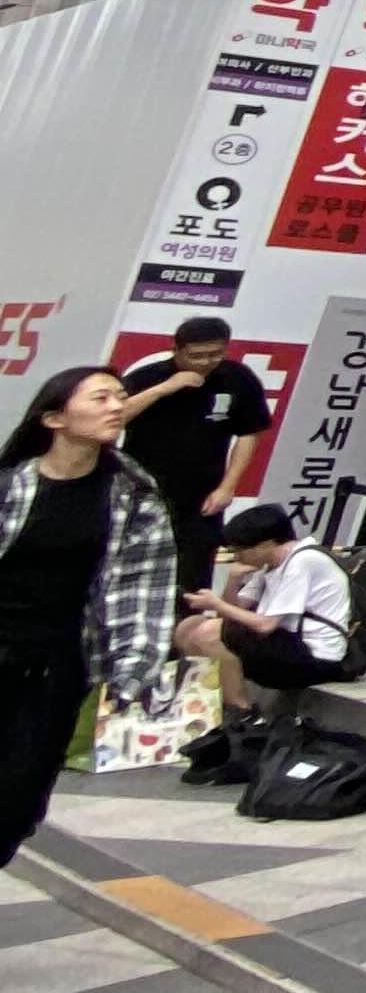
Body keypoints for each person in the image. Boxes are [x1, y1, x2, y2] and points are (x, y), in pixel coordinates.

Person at [0, 367, 179, 871]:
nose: (116, 406)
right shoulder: (10, 487)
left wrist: (135, 668)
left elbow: (145, 586)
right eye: (100, 398)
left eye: (119, 397)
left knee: (18, 801)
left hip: (57, 666)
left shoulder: (133, 495)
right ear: (54, 418)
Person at [115, 317, 272, 596]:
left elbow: (250, 433)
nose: (206, 362)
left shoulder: (238, 378)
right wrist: (165, 388)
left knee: (193, 574)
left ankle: (188, 621)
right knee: (133, 567)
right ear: (176, 349)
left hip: (203, 496)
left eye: (215, 354)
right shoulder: (148, 377)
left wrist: (228, 487)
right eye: (196, 355)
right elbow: (115, 417)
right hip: (143, 490)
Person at [176, 500, 354, 709]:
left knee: (208, 633)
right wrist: (233, 580)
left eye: (239, 550)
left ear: (264, 545)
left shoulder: (303, 561)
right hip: (287, 643)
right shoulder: (271, 565)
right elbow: (229, 616)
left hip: (315, 656)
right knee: (189, 627)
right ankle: (206, 706)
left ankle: (241, 711)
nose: (236, 556)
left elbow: (266, 625)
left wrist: (216, 604)